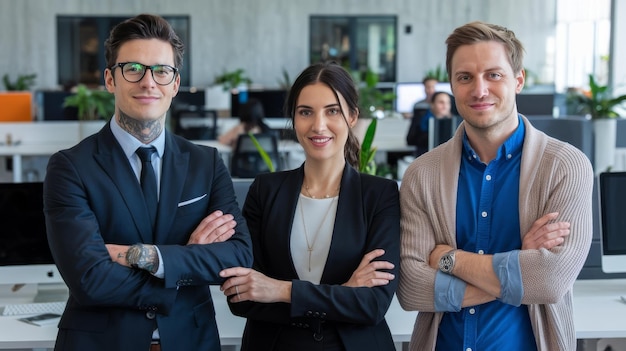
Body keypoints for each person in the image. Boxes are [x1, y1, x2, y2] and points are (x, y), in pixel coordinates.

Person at [43, 14, 253, 351]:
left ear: (175, 83)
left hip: (191, 341)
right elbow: (90, 279)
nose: (148, 82)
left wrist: (151, 258)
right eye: (133, 69)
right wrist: (187, 262)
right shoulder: (70, 167)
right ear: (110, 79)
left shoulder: (206, 163)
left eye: (161, 70)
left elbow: (237, 255)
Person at [398, 21, 593, 351]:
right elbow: (412, 288)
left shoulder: (564, 166)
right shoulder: (422, 174)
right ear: (452, 85)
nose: (479, 90)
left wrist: (449, 260)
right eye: (465, 77)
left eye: (493, 75)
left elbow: (549, 280)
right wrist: (521, 264)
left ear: (518, 80)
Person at [218, 61, 401, 351]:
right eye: (306, 112)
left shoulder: (380, 195)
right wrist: (343, 295)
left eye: (333, 111)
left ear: (352, 116)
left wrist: (280, 290)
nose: (318, 125)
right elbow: (241, 296)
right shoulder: (265, 190)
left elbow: (373, 304)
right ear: (294, 118)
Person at [406, 91, 453, 157]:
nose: (445, 106)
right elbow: (410, 140)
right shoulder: (422, 117)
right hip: (424, 156)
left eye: (448, 103)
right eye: (441, 102)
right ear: (432, 104)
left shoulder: (454, 122)